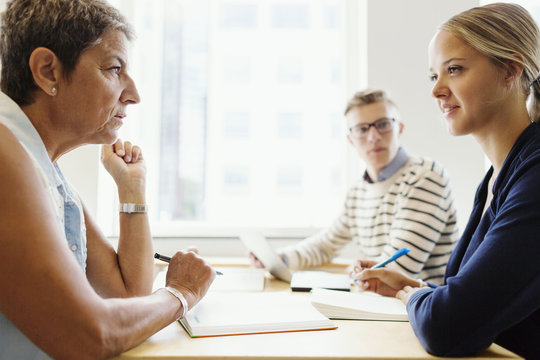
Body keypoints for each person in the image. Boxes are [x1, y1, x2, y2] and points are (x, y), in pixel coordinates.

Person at [0, 1, 215, 359]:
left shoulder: (43, 167)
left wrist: (132, 188)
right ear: (48, 71)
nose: (133, 95)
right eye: (115, 69)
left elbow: (128, 294)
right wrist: (180, 294)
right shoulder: (6, 155)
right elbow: (87, 335)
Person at [354, 3, 540, 359]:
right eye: (433, 76)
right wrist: (414, 287)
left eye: (454, 69)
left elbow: (446, 326)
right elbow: (476, 298)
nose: (437, 90)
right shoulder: (495, 179)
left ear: (510, 71)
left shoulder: (534, 176)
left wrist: (412, 297)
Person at [252, 89, 459, 285]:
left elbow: (399, 268)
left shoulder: (426, 176)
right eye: (362, 129)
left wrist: (358, 274)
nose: (373, 137)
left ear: (400, 128)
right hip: (383, 303)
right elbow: (326, 245)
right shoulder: (358, 193)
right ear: (351, 140)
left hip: (425, 309)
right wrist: (282, 258)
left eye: (383, 124)